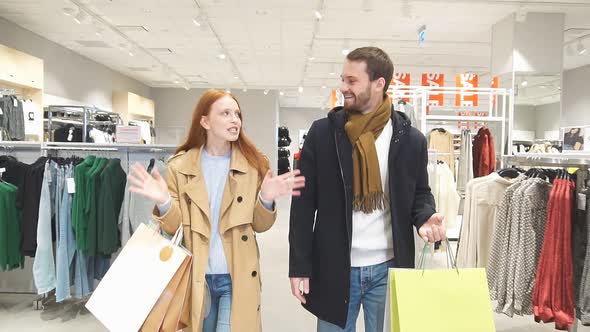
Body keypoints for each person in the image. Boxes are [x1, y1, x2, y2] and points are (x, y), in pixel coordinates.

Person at [288, 47, 445, 332]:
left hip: (389, 268)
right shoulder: (323, 134)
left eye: (352, 81)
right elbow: (302, 202)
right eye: (343, 79)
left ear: (379, 83)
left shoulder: (410, 140)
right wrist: (299, 264)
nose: (343, 87)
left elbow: (420, 192)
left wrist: (425, 217)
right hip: (335, 265)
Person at [128, 89, 305, 332]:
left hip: (237, 276)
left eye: (237, 114)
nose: (235, 120)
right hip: (194, 277)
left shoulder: (253, 164)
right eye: (225, 113)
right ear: (205, 121)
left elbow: (260, 225)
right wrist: (164, 201)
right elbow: (173, 227)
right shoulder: (179, 167)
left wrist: (265, 198)